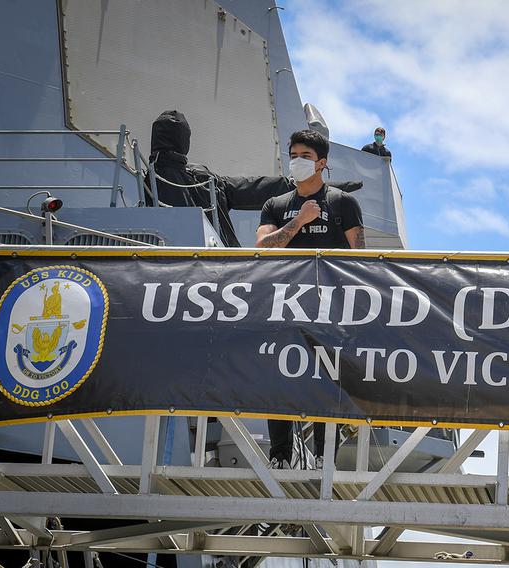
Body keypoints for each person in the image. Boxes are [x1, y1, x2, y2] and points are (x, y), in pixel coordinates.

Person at [257, 129, 366, 469]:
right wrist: (300, 221)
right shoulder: (275, 205)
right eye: (293, 154)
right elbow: (261, 247)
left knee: (325, 378)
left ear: (322, 163)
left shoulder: (343, 203)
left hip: (329, 308)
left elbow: (359, 256)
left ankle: (323, 457)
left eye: (305, 156)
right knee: (278, 376)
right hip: (283, 303)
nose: (297, 161)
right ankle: (280, 456)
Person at [147, 110, 292, 246]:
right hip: (221, 260)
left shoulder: (148, 180)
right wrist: (292, 184)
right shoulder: (201, 177)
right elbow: (250, 187)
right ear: (185, 141)